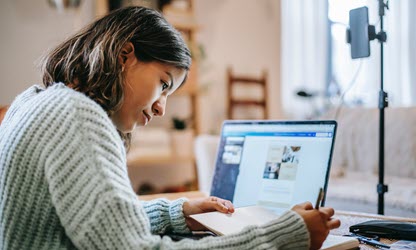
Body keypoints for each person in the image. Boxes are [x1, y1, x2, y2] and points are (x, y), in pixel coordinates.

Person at [0, 6, 340, 249]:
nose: (162, 108)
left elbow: (99, 220)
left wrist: (180, 213)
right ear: (124, 55)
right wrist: (281, 236)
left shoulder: (34, 101)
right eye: (164, 84)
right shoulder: (77, 116)